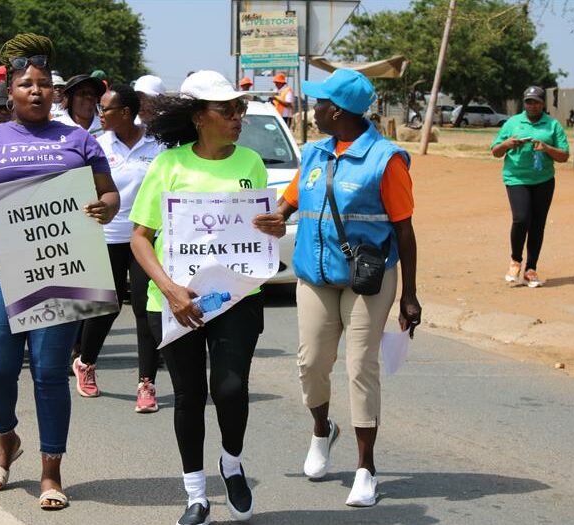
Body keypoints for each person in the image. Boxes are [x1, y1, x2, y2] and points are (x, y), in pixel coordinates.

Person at [0, 33, 118, 511]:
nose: (36, 91)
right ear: (10, 94)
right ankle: (6, 438)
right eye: (26, 85)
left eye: (44, 85)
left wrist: (102, 207)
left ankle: (51, 469)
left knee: (48, 374)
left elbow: (110, 194)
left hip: (59, 268)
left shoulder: (78, 139)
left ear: (54, 94)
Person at [130, 70, 286, 525]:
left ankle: (232, 463)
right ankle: (196, 493)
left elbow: (260, 230)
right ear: (200, 117)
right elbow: (141, 238)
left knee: (231, 388)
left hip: (238, 297)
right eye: (227, 110)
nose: (237, 117)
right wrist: (171, 290)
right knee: (190, 396)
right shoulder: (168, 166)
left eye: (239, 108)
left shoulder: (252, 163)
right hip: (178, 300)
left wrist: (273, 226)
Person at [275, 69, 421, 507]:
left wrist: (410, 293)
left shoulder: (386, 159)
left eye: (319, 103)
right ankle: (322, 429)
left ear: (337, 111)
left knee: (361, 367)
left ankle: (365, 469)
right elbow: (290, 202)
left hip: (369, 280)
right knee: (311, 363)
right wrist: (270, 219)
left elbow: (405, 231)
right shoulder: (315, 153)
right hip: (314, 275)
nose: (313, 108)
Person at [73, 84, 165, 413]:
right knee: (106, 306)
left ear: (125, 113)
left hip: (145, 237)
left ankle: (146, 383)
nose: (100, 115)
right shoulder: (97, 144)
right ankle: (86, 363)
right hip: (107, 235)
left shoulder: (158, 145)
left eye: (105, 109)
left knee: (144, 308)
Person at [490, 86, 569, 287]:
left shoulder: (552, 125)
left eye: (536, 102)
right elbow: (496, 151)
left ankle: (531, 269)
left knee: (537, 224)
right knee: (521, 218)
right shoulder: (512, 123)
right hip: (516, 178)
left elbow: (564, 156)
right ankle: (516, 260)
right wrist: (507, 144)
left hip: (543, 181)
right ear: (524, 103)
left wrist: (547, 148)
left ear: (543, 104)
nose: (532, 105)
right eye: (528, 101)